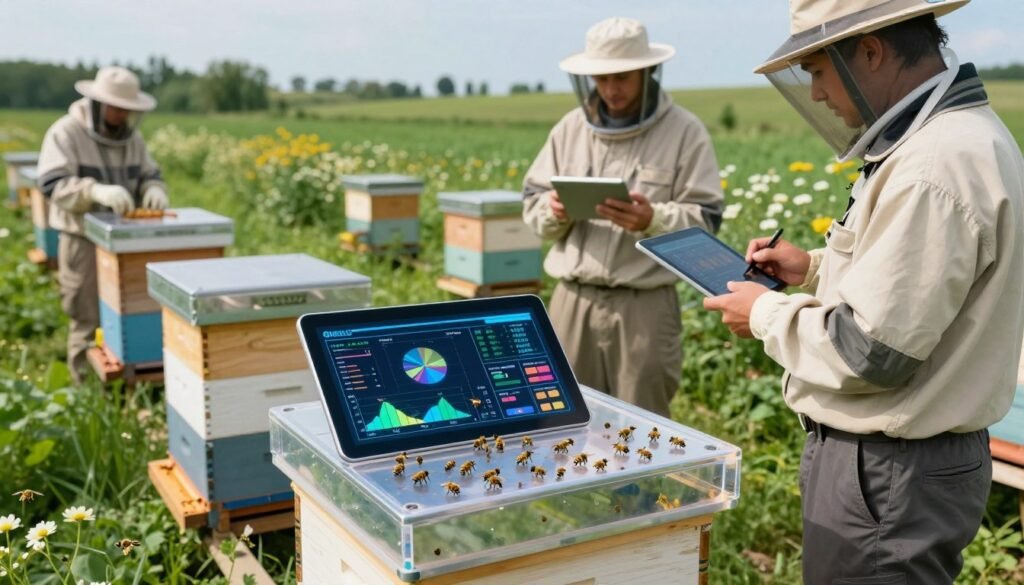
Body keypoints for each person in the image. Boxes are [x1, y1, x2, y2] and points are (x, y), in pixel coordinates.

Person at [703, 1, 1024, 582]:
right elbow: (922, 286)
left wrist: (765, 313)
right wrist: (814, 269)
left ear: (870, 51)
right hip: (896, 468)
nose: (818, 93)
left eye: (819, 70)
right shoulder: (951, 139)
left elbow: (871, 350)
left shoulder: (935, 163)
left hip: (888, 472)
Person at [522, 17, 723, 417]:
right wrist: (555, 210)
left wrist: (652, 219)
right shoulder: (568, 130)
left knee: (641, 425)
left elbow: (707, 220)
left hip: (643, 305)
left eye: (622, 78)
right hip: (572, 300)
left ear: (647, 72)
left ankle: (641, 486)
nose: (611, 90)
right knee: (563, 417)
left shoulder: (685, 132)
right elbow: (533, 206)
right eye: (602, 79)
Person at [37, 66, 169, 384]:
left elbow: (151, 174)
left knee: (127, 315)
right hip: (81, 237)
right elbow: (51, 183)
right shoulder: (65, 132)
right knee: (86, 315)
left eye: (127, 109)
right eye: (116, 107)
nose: (121, 115)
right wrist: (93, 190)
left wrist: (154, 189)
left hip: (125, 242)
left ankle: (125, 386)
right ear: (97, 102)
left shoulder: (132, 138)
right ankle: (86, 391)